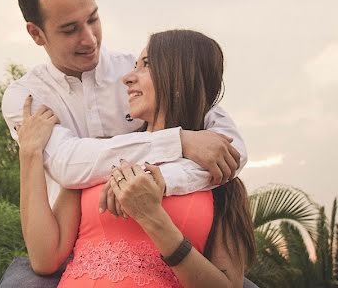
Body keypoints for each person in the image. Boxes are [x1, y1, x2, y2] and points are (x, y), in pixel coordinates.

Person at [0, 0, 247, 287]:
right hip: (65, 250)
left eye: (94, 19)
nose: (89, 39)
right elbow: (70, 166)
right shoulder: (26, 98)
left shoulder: (131, 69)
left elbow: (227, 146)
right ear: (36, 33)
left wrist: (158, 183)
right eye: (70, 29)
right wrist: (179, 141)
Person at [18, 29, 256, 287]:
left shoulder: (222, 182)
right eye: (134, 66)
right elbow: (44, 259)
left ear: (178, 78)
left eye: (146, 65)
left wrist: (152, 217)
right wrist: (30, 153)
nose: (128, 78)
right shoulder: (102, 155)